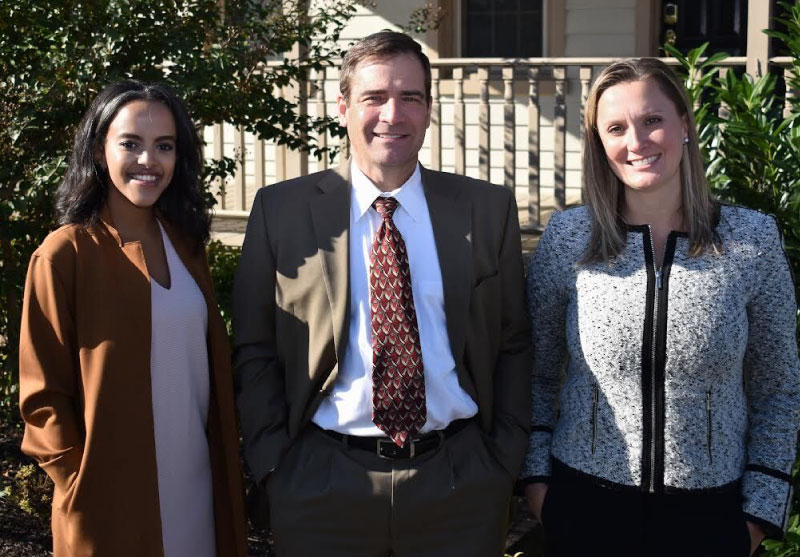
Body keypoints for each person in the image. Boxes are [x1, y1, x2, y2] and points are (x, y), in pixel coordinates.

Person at [234, 30, 531, 556]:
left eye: (410, 97)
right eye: (375, 97)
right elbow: (255, 347)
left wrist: (501, 459)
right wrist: (274, 464)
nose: (393, 114)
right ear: (344, 107)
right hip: (321, 487)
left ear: (429, 109)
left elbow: (512, 342)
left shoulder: (486, 210)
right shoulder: (282, 212)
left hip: (460, 487)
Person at [522, 57, 800, 557]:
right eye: (616, 128)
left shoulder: (751, 240)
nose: (637, 142)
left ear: (685, 127)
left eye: (652, 120)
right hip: (583, 508)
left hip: (711, 516)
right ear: (601, 145)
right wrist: (538, 486)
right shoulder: (567, 240)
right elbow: (536, 376)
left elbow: (778, 385)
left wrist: (759, 513)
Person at [18, 81, 247, 556]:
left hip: (199, 488)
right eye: (131, 144)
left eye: (164, 146)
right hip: (112, 505)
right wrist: (78, 482)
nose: (149, 160)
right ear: (100, 152)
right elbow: (42, 395)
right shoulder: (64, 254)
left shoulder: (186, 245)